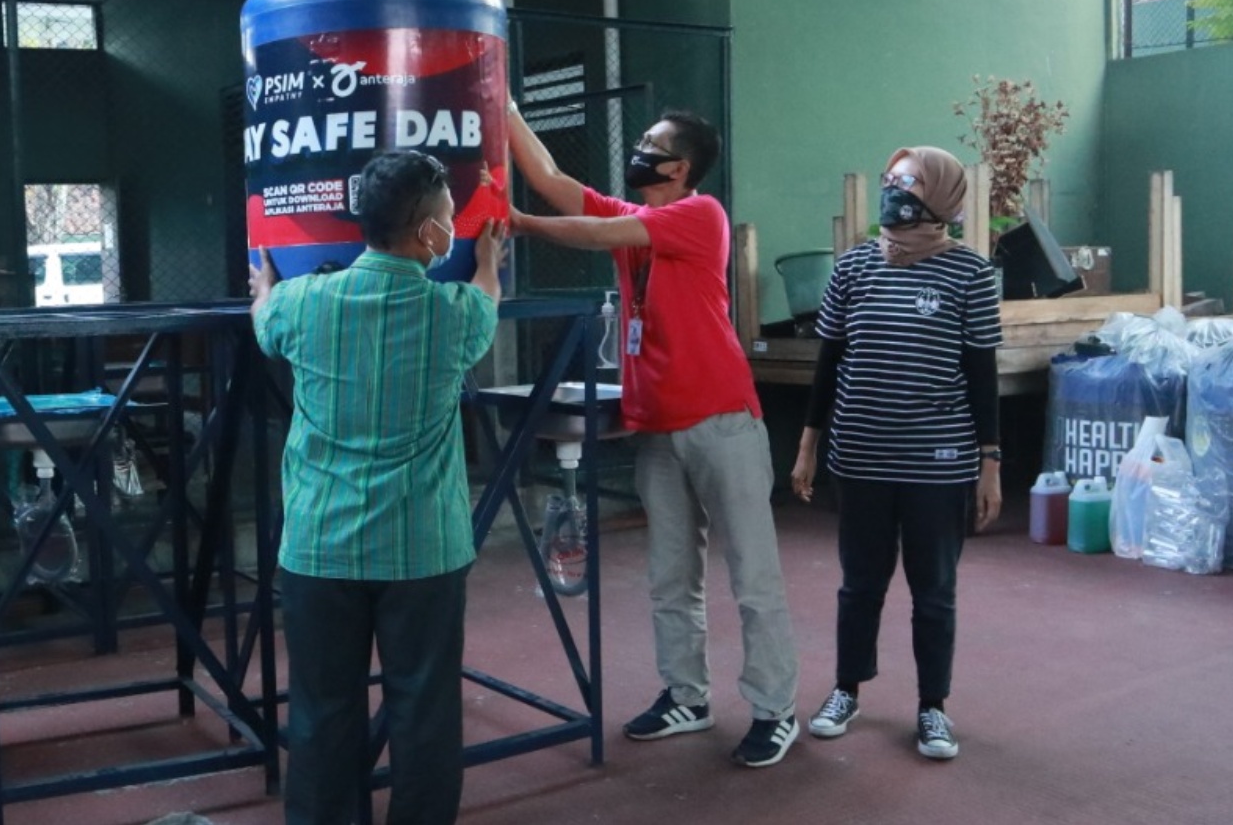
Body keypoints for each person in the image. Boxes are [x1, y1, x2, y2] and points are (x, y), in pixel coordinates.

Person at [505, 101, 800, 768]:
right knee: (671, 576)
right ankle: (687, 698)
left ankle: (774, 708)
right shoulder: (636, 220)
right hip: (659, 429)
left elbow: (584, 230)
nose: (638, 149)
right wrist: (505, 106)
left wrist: (520, 224)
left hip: (722, 421)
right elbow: (551, 177)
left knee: (753, 577)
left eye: (651, 143)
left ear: (682, 165)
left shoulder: (700, 214)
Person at [250, 149, 507, 824]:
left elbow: (264, 313)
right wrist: (485, 262)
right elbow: (486, 297)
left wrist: (263, 285)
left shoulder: (303, 306)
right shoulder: (452, 316)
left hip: (318, 548)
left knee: (320, 709)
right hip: (422, 549)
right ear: (427, 235)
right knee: (423, 709)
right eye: (449, 217)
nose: (453, 227)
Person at [789, 145, 1003, 761]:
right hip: (859, 458)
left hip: (939, 463)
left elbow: (981, 376)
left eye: (906, 180)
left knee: (933, 589)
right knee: (860, 585)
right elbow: (828, 362)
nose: (894, 188)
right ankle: (846, 689)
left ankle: (933, 707)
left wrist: (990, 463)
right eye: (890, 179)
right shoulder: (853, 267)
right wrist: (809, 443)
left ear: (939, 194)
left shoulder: (970, 275)